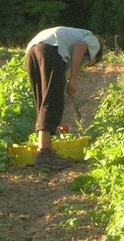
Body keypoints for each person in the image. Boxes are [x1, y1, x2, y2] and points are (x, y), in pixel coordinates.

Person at [25, 26, 103, 169]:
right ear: (95, 57)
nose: (86, 65)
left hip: (32, 50)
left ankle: (46, 149)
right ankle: (44, 153)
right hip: (51, 49)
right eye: (90, 64)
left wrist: (58, 120)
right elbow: (80, 47)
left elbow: (52, 95)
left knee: (44, 99)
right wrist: (74, 79)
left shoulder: (69, 41)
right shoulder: (94, 41)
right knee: (49, 98)